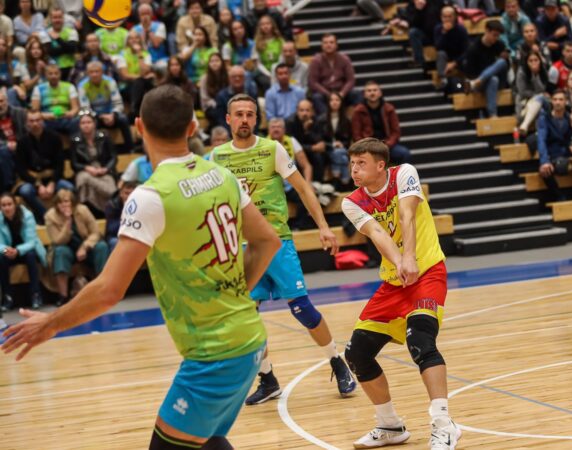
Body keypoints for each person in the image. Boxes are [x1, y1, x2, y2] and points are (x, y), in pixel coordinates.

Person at [2, 84, 282, 450]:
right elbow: (268, 241)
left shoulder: (150, 196)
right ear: (192, 128)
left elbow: (109, 290)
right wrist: (237, 294)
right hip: (249, 340)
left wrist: (50, 323)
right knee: (206, 443)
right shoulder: (222, 176)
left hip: (214, 355)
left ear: (138, 127)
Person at [208, 93, 356, 405]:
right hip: (243, 247)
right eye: (239, 114)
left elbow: (303, 188)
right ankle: (268, 379)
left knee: (302, 308)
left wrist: (324, 227)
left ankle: (337, 362)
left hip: (277, 242)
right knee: (246, 317)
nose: (245, 119)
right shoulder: (217, 157)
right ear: (228, 119)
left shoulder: (272, 149)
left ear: (256, 118)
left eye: (250, 114)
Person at [341, 137, 459, 450]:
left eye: (361, 163)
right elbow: (377, 233)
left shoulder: (404, 173)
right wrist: (400, 263)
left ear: (381, 165)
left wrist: (410, 258)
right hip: (394, 283)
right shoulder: (351, 201)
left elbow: (407, 214)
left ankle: (444, 424)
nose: (354, 169)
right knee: (356, 353)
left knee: (420, 340)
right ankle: (390, 425)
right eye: (352, 163)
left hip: (427, 271)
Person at [44, 189, 109, 306]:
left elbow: (95, 232)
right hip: (66, 247)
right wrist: (67, 222)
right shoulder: (50, 216)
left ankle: (102, 291)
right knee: (60, 252)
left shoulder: (82, 210)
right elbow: (57, 241)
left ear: (72, 202)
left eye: (66, 201)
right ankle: (63, 296)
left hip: (85, 246)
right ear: (56, 204)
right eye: (60, 202)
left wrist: (85, 246)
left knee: (102, 247)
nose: (63, 205)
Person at [14, 110, 74, 224]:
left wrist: (52, 183)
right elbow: (21, 169)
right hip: (32, 180)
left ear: (42, 121)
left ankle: (66, 216)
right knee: (25, 191)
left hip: (53, 178)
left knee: (69, 187)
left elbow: (60, 165)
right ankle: (45, 216)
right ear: (27, 123)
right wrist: (38, 185)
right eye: (32, 121)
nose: (35, 124)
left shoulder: (55, 138)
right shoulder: (22, 142)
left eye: (37, 120)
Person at [0, 192, 45, 311]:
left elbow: (31, 241)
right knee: (2, 258)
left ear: (15, 204)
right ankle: (7, 297)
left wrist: (18, 250)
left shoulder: (27, 215)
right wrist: (6, 250)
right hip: (9, 251)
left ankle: (36, 295)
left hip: (26, 250)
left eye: (9, 204)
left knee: (30, 256)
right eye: (3, 205)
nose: (7, 208)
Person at [78, 61, 134, 153]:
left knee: (123, 118)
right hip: (95, 116)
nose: (94, 74)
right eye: (91, 72)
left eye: (97, 71)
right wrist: (100, 116)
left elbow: (118, 102)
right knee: (88, 123)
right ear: (87, 73)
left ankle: (130, 148)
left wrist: (113, 114)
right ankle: (97, 151)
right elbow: (85, 107)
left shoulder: (110, 82)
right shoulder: (82, 85)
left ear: (102, 72)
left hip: (111, 114)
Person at [352, 81, 410, 165]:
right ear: (364, 94)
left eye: (375, 90)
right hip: (367, 147)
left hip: (386, 145)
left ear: (380, 93)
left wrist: (387, 145)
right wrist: (367, 147)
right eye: (369, 90)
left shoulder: (389, 108)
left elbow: (396, 132)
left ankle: (400, 174)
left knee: (404, 153)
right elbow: (356, 135)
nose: (372, 93)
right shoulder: (358, 110)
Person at [70, 111, 117, 214]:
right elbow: (74, 164)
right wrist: (87, 168)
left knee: (110, 189)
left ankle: (106, 210)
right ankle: (87, 211)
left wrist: (106, 169)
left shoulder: (104, 136)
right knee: (82, 179)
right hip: (85, 171)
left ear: (94, 123)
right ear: (79, 125)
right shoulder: (75, 140)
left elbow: (113, 157)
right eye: (83, 123)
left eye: (88, 122)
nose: (86, 125)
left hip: (103, 170)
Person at [461, 20, 509, 119]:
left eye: (498, 36)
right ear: (487, 31)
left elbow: (505, 66)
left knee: (502, 62)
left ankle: (478, 81)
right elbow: (470, 73)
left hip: (495, 80)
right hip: (481, 83)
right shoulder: (474, 48)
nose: (496, 38)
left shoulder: (500, 45)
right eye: (494, 35)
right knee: (493, 80)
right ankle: (493, 114)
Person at [308, 33, 359, 116]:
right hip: (325, 93)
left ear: (336, 45)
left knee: (356, 94)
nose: (328, 45)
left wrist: (342, 93)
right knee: (316, 97)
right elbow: (313, 82)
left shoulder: (344, 59)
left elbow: (351, 80)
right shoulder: (316, 61)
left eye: (331, 42)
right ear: (322, 46)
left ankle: (355, 120)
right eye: (325, 43)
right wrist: (328, 95)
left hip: (341, 92)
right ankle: (327, 119)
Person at [30, 63, 80, 136]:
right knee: (38, 123)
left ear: (60, 74)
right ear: (46, 75)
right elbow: (35, 111)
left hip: (65, 118)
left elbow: (75, 108)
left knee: (77, 121)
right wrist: (45, 115)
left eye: (56, 73)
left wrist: (70, 113)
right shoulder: (38, 88)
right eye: (50, 74)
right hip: (47, 119)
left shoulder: (69, 86)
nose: (53, 76)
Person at [103, 181, 136, 253]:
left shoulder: (139, 206)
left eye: (132, 194)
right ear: (121, 193)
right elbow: (112, 229)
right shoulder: (112, 205)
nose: (129, 196)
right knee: (116, 242)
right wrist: (125, 214)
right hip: (114, 237)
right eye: (126, 193)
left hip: (133, 236)